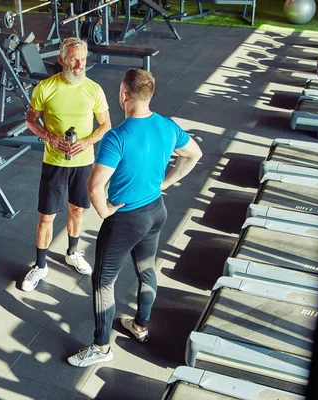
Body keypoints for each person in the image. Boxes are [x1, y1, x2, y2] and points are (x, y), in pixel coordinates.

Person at [67, 69, 202, 367]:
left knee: (103, 281)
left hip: (125, 219)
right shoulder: (167, 126)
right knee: (146, 270)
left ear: (124, 95)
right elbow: (194, 154)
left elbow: (95, 185)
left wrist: (104, 212)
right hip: (156, 212)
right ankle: (140, 325)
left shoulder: (118, 136)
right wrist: (165, 183)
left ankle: (101, 348)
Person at [22, 37, 111, 292]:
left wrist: (86, 142)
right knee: (47, 216)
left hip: (84, 162)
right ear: (61, 59)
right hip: (54, 161)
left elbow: (105, 125)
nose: (79, 64)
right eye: (73, 59)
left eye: (82, 59)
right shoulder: (44, 88)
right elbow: (31, 121)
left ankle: (72, 252)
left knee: (77, 210)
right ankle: (40, 265)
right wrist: (50, 138)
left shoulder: (94, 89)